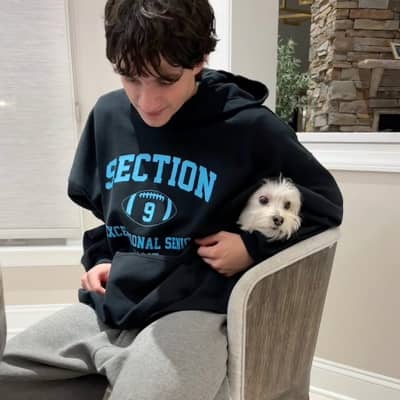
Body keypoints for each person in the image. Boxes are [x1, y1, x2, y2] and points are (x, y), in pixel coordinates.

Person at [0, 0, 343, 399]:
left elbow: (324, 203)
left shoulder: (248, 126)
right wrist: (103, 257)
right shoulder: (108, 115)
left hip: (193, 309)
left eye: (166, 79)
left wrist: (252, 247)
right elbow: (112, 215)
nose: (147, 101)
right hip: (112, 304)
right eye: (130, 77)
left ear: (199, 60)